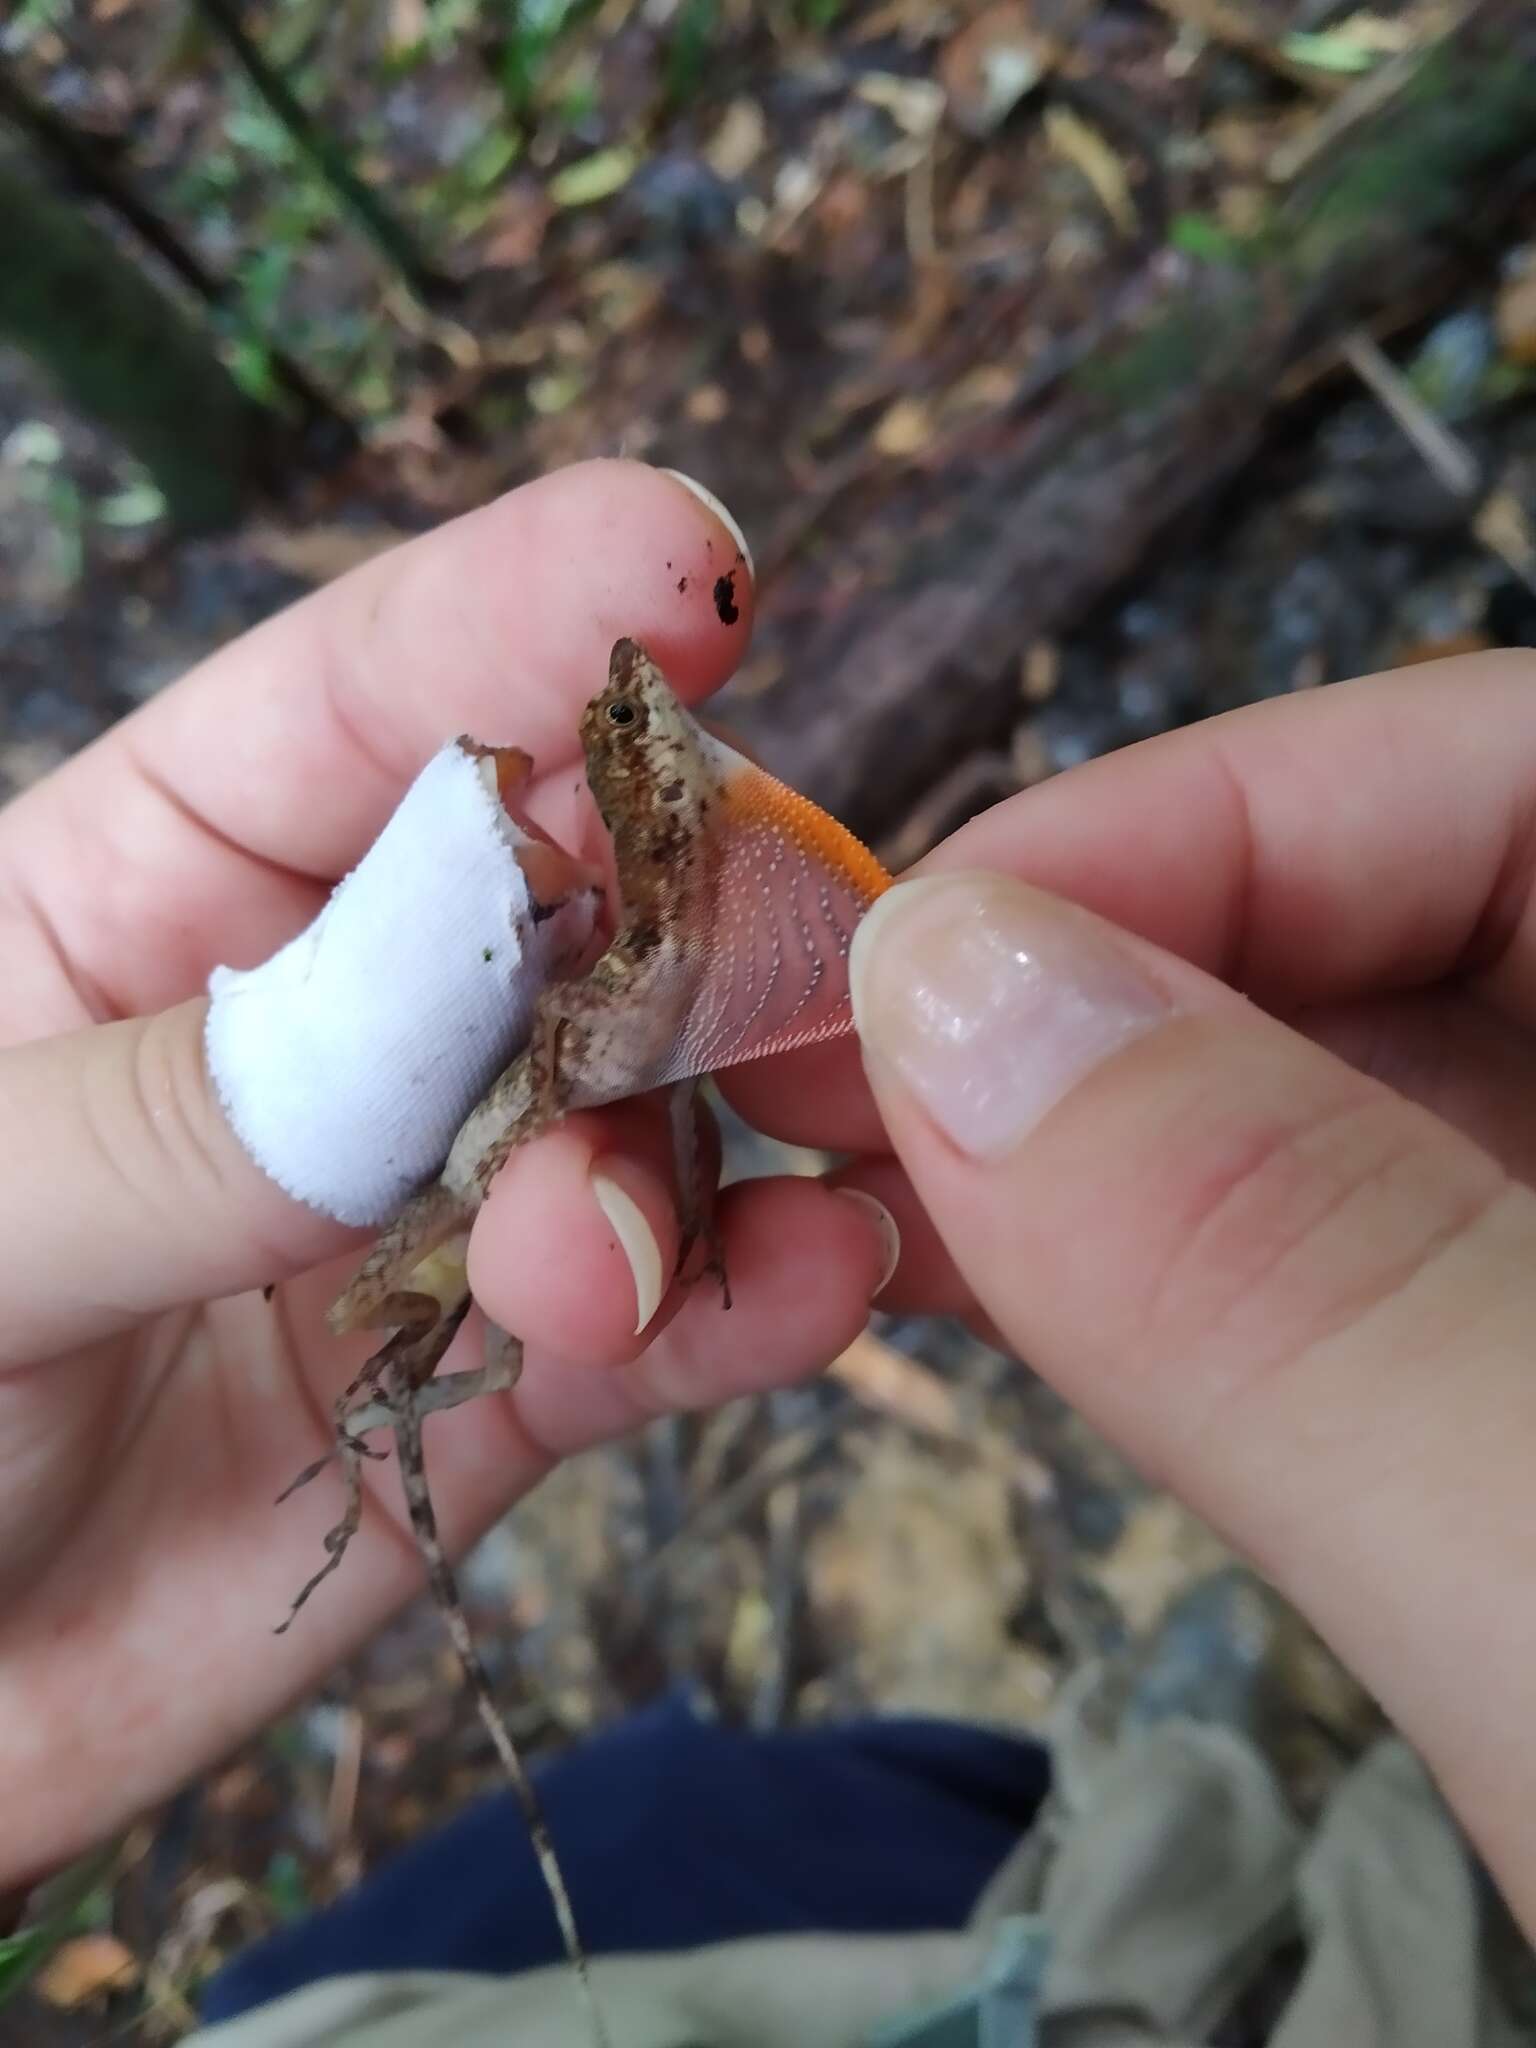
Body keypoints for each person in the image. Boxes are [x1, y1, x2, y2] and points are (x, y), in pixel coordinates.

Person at [3, 459, 1536, 2042]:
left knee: (658, 1806)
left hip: (587, 1079)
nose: (632, 734)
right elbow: (634, 1035)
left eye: (624, 736)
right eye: (623, 735)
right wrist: (257, 1100)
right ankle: (1232, 1820)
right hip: (513, 1124)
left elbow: (663, 1032)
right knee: (496, 1355)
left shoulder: (658, 884)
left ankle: (1212, 1821)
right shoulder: (625, 928)